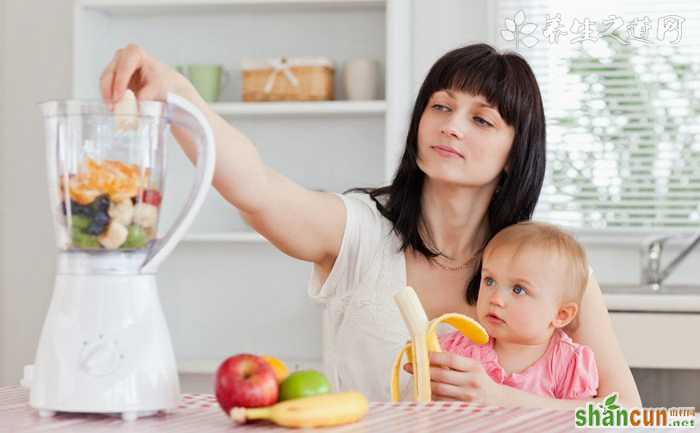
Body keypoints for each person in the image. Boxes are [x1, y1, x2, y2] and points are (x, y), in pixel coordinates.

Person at [100, 42, 641, 408]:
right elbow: (258, 188)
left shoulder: (556, 272)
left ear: (515, 151)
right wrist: (178, 97)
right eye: (440, 106)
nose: (451, 127)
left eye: (480, 119)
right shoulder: (357, 232)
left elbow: (633, 419)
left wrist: (507, 402)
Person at [432, 221, 598, 400]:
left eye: (518, 289)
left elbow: (580, 423)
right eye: (489, 281)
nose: (495, 299)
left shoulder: (568, 364)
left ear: (561, 314)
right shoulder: (459, 349)